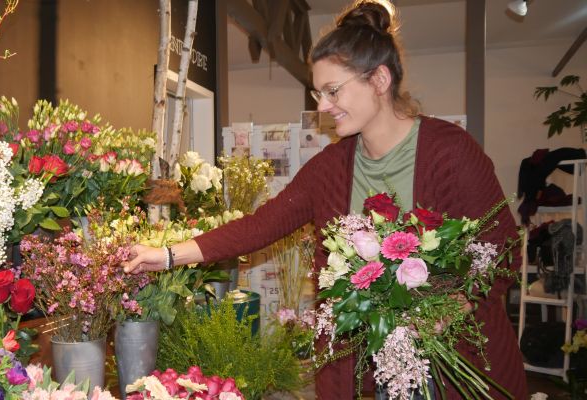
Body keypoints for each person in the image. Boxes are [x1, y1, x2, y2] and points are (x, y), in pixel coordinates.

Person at [122, 0, 527, 398]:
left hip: (454, 366)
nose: (322, 107)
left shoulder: (450, 152)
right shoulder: (330, 167)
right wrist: (169, 255)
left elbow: (503, 248)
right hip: (375, 371)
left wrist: (456, 303)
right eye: (318, 93)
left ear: (380, 81)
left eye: (332, 91)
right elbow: (260, 226)